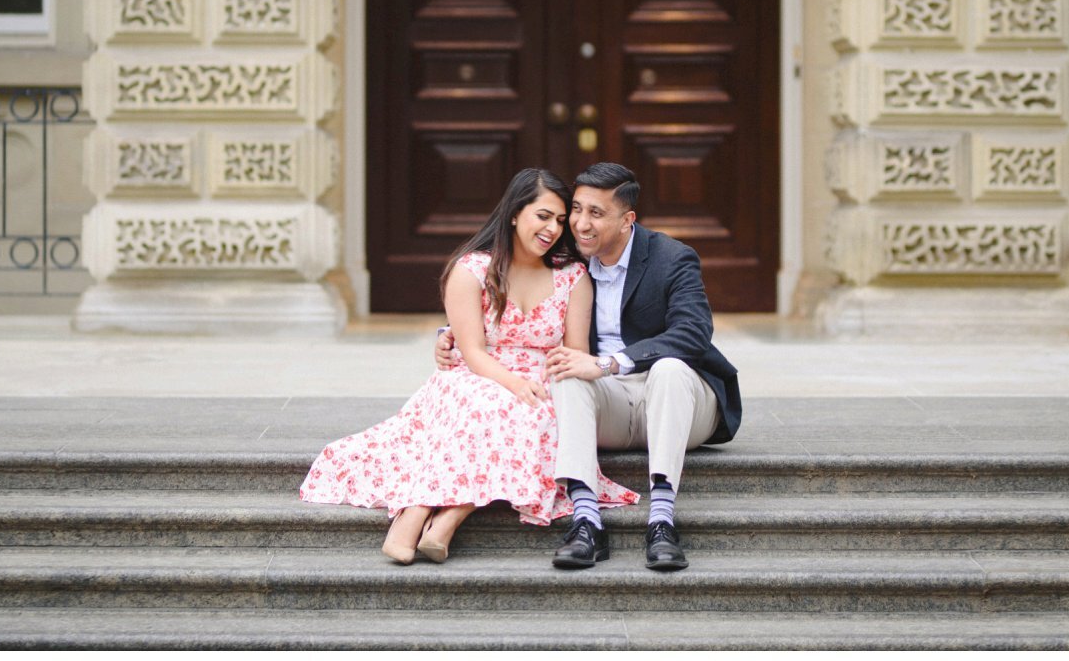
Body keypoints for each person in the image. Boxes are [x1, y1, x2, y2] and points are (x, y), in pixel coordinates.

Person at [300, 168, 636, 564]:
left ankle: (444, 521)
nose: (553, 228)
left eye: (560, 220)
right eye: (543, 216)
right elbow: (473, 351)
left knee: (533, 415)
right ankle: (416, 515)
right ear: (515, 213)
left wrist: (542, 381)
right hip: (477, 373)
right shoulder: (472, 269)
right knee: (487, 406)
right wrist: (511, 382)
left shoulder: (572, 275)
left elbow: (574, 350)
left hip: (542, 379)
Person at [437, 161, 740, 571]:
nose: (579, 223)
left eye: (595, 214)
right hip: (610, 405)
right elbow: (519, 306)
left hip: (680, 402)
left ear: (626, 220)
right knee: (566, 372)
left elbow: (693, 334)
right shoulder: (567, 261)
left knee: (668, 368)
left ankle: (662, 522)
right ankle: (586, 522)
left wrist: (609, 362)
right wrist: (452, 331)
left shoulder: (672, 258)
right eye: (575, 210)